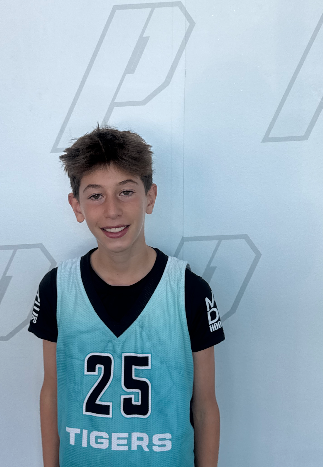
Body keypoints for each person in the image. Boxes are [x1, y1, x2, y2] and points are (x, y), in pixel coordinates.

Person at [28, 125, 225, 467]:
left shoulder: (189, 291)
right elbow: (52, 392)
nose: (112, 211)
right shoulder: (57, 288)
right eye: (96, 195)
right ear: (76, 206)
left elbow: (205, 404)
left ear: (150, 197)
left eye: (126, 192)